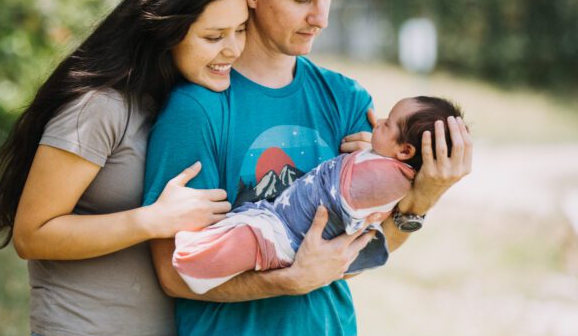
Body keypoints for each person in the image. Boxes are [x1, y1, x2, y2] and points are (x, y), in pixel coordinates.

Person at [142, 0, 472, 336]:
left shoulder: (344, 100)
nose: (320, 16)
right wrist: (286, 280)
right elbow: (175, 273)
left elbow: (355, 252)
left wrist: (424, 198)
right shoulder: (198, 109)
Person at [0, 0, 252, 336]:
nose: (233, 49)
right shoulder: (100, 107)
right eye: (214, 36)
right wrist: (152, 220)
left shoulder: (188, 106)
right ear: (166, 30)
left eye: (240, 30)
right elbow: (32, 234)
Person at [172, 96, 464, 294]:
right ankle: (199, 255)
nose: (378, 121)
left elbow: (344, 267)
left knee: (245, 244)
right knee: (240, 235)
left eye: (387, 125)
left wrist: (422, 199)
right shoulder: (197, 106)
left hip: (285, 234)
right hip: (276, 216)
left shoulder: (350, 103)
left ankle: (196, 262)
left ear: (405, 151)